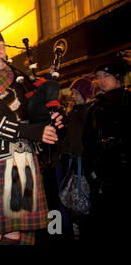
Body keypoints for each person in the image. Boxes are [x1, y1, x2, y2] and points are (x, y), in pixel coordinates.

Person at [0, 30, 63, 245]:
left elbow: (34, 115)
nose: (0, 50)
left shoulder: (20, 82)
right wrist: (30, 131)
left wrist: (52, 114)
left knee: (16, 231)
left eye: (2, 46)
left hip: (23, 157)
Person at [82, 61, 130, 240]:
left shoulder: (126, 99)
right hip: (102, 171)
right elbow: (87, 138)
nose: (101, 81)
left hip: (123, 168)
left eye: (106, 76)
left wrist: (118, 142)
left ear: (117, 78)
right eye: (98, 77)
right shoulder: (96, 105)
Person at [55, 76, 95, 240]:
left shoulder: (89, 111)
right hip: (72, 160)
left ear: (85, 94)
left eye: (77, 93)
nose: (73, 96)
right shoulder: (75, 112)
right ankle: (75, 226)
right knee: (73, 195)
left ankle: (83, 228)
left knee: (82, 196)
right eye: (72, 92)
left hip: (82, 161)